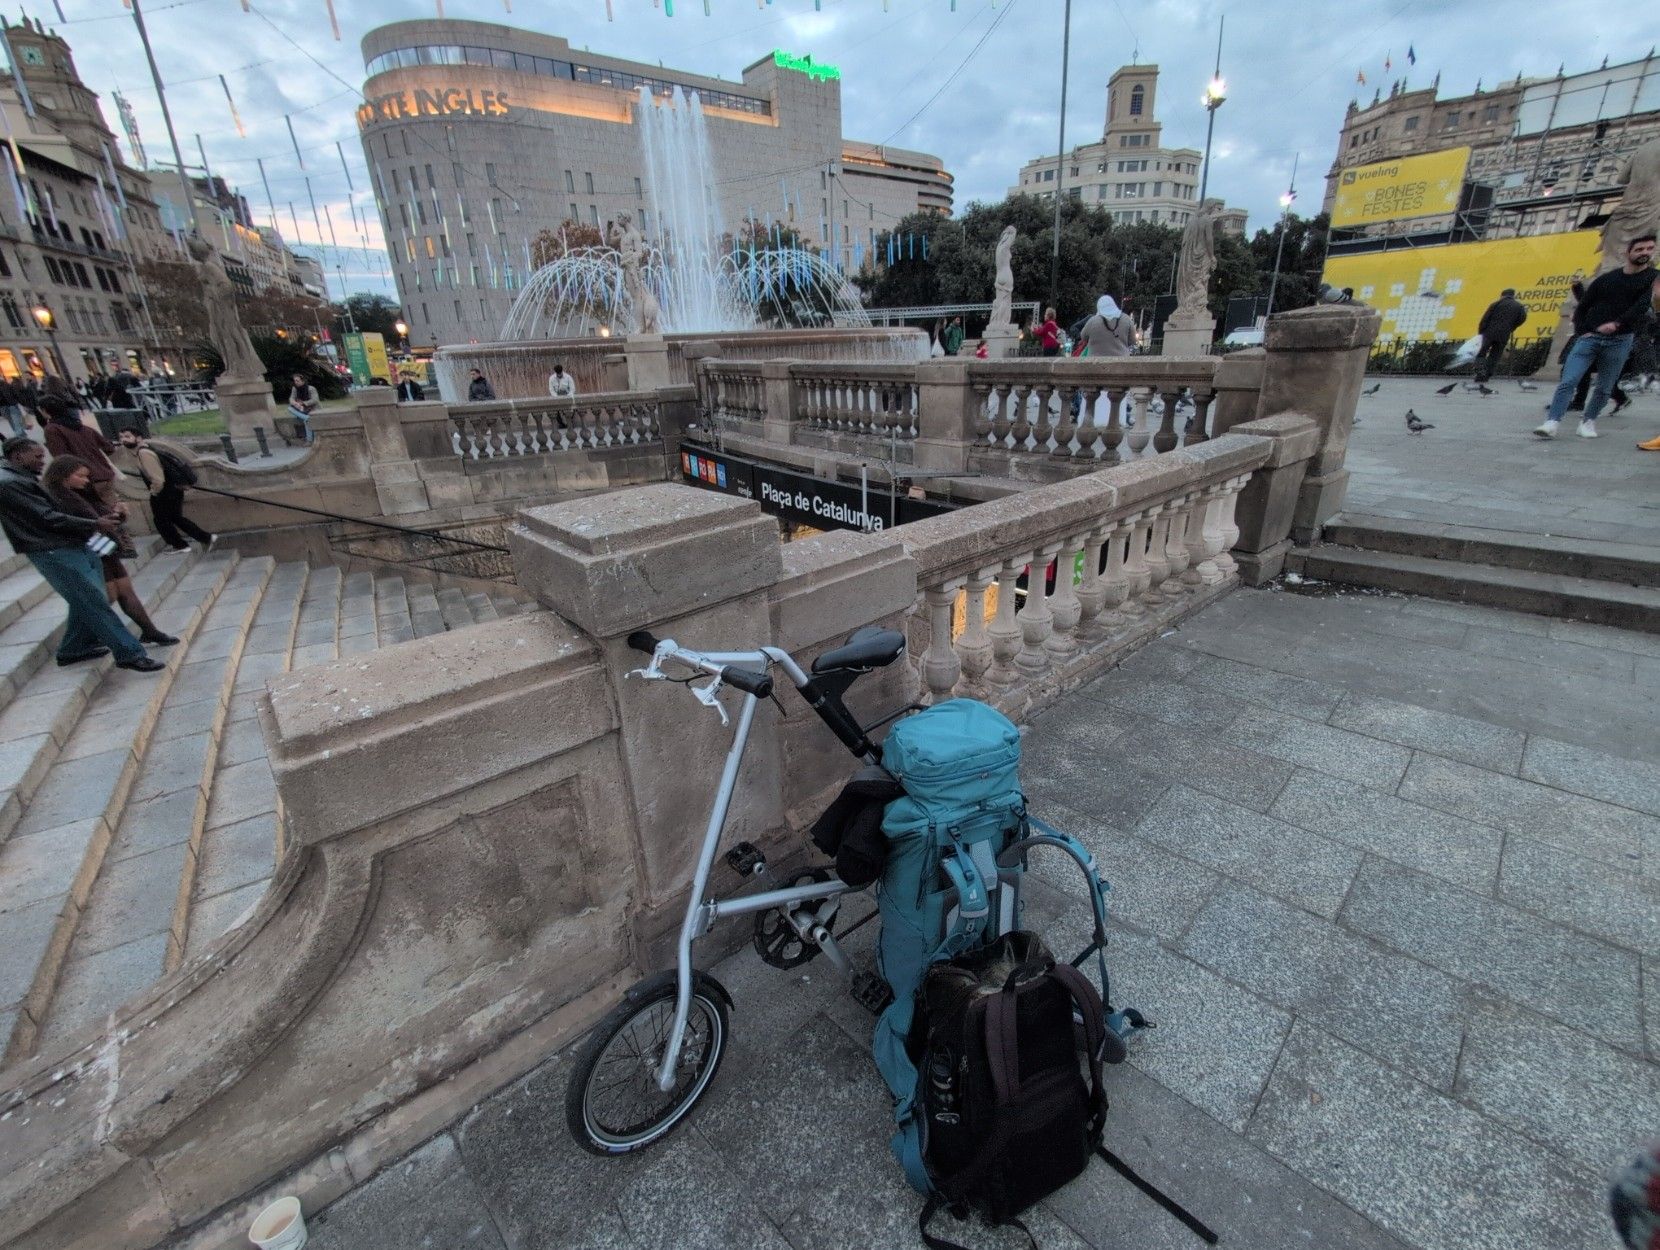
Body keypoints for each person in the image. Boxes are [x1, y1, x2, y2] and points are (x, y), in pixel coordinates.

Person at [0, 436, 163, 672]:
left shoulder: (22, 479)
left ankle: (73, 648)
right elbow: (46, 517)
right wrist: (95, 524)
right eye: (37, 457)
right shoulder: (10, 483)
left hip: (72, 545)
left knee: (87, 598)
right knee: (93, 601)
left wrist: (106, 523)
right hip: (53, 549)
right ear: (18, 456)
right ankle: (130, 653)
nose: (42, 461)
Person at [41, 455, 176, 646]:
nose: (86, 480)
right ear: (63, 476)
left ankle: (150, 631)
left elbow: (102, 518)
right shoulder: (53, 497)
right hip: (88, 550)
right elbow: (69, 524)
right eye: (80, 476)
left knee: (125, 590)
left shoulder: (83, 493)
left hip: (104, 546)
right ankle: (83, 638)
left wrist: (117, 514)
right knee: (108, 595)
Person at [1536, 234, 1659, 440]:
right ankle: (1552, 421)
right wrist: (1582, 330)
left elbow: (1642, 305)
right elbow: (1583, 306)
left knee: (1605, 386)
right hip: (1590, 338)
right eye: (1639, 249)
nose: (1644, 253)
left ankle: (1588, 421)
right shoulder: (1607, 279)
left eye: (1649, 249)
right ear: (1627, 252)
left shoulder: (1654, 278)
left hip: (1620, 340)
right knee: (1569, 380)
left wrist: (1617, 324)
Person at [115, 428, 214, 553]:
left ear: (138, 438)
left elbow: (158, 479)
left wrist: (154, 492)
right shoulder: (145, 450)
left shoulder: (144, 453)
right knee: (175, 518)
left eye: (127, 436)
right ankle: (205, 538)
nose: (123, 439)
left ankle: (181, 545)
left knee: (161, 520)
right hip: (171, 489)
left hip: (164, 491)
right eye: (121, 437)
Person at [40, 395, 121, 511]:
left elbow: (61, 458)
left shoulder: (52, 430)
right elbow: (109, 447)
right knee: (113, 510)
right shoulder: (82, 426)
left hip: (85, 480)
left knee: (101, 514)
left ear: (45, 411)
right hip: (105, 474)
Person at [1473, 288, 1528, 382]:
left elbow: (1485, 318)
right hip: (1504, 334)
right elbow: (1522, 319)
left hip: (1488, 333)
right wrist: (1512, 327)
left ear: (1502, 295)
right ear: (1513, 295)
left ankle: (1480, 374)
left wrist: (1481, 332)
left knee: (1481, 353)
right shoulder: (1519, 306)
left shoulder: (1496, 304)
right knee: (1495, 355)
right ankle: (1488, 374)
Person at [286, 372, 320, 444]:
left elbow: (315, 400)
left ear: (303, 381)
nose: (295, 382)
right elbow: (291, 398)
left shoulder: (311, 388)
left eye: (297, 380)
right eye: (295, 381)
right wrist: (295, 403)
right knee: (289, 408)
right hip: (302, 409)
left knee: (306, 421)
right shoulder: (295, 389)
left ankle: (309, 441)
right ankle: (306, 417)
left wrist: (303, 403)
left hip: (312, 409)